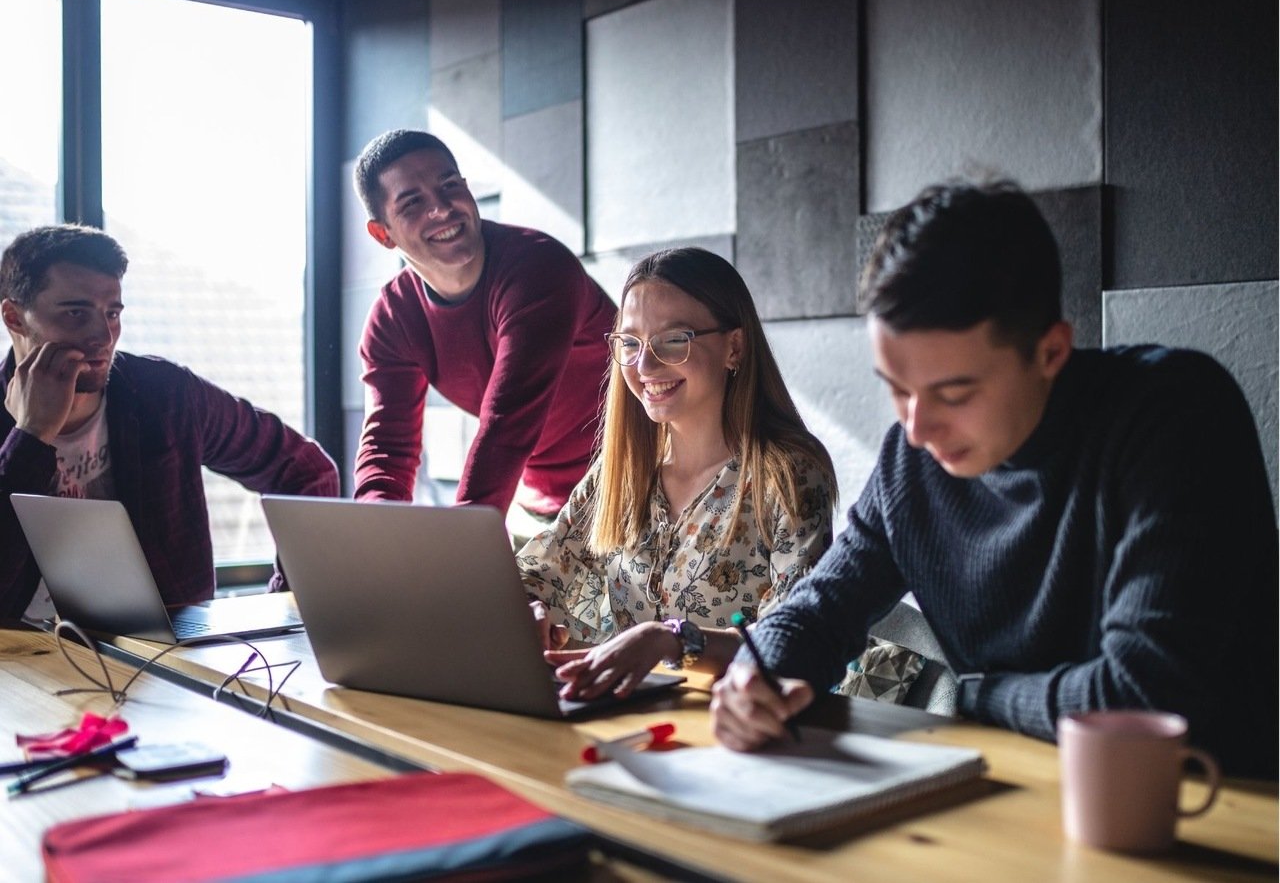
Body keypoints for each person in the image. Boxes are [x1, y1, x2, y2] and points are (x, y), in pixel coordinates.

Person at [710, 179, 1279, 778]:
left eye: (953, 393)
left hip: (1209, 803)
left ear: (1051, 352)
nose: (917, 429)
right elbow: (818, 612)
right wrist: (760, 673)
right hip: (1022, 789)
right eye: (897, 390)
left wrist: (982, 695)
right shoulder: (914, 464)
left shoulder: (1176, 414)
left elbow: (1143, 693)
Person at [520, 247, 836, 701]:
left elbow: (790, 635)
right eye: (630, 344)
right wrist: (527, 607)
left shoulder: (788, 476)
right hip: (631, 721)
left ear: (734, 347)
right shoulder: (621, 476)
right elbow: (538, 571)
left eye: (673, 340)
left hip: (741, 727)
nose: (645, 367)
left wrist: (671, 639)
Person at [0, 224, 339, 621]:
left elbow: (307, 472)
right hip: (20, 668)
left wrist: (284, 605)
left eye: (112, 313)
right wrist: (31, 435)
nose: (102, 335)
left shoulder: (165, 395)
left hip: (162, 664)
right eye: (75, 313)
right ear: (14, 317)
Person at [352, 129, 617, 532]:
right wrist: (377, 535)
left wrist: (464, 546)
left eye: (449, 185)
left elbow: (507, 426)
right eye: (412, 202)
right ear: (382, 233)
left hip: (632, 478)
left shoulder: (536, 269)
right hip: (542, 504)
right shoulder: (392, 321)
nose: (442, 209)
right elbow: (387, 450)